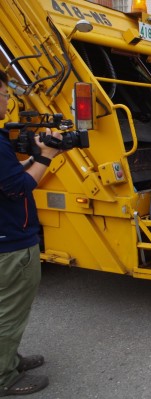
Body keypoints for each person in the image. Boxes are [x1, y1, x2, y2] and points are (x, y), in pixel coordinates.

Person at [1, 70, 62, 396]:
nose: (8, 98)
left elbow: (8, 177)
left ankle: (8, 358)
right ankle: (4, 377)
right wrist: (48, 157)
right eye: (4, 93)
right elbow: (17, 187)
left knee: (4, 307)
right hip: (9, 241)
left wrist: (37, 156)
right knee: (10, 312)